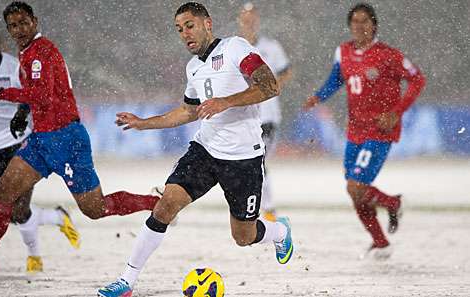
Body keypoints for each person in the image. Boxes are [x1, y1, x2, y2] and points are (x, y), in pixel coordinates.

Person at [98, 3, 294, 296]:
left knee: (244, 236)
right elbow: (188, 112)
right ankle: (126, 281)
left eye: (190, 25)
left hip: (244, 158)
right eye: (179, 29)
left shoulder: (235, 47)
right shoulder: (193, 68)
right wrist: (144, 123)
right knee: (165, 205)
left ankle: (280, 232)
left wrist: (226, 102)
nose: (185, 34)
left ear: (207, 24)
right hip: (205, 150)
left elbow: (269, 86)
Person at [0, 1, 160, 279]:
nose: (19, 29)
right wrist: (22, 114)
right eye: (13, 25)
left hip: (66, 140)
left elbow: (42, 95)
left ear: (35, 22)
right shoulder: (28, 52)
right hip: (41, 140)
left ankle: (155, 203)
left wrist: (1, 93)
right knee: (4, 192)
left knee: (95, 209)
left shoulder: (41, 52)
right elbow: (38, 96)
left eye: (23, 23)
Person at [0, 23, 83, 275]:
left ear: (0, 43)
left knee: (17, 207)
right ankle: (56, 217)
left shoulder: (15, 65)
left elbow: (32, 94)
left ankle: (31, 259)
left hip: (21, 141)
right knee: (8, 211)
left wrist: (21, 115)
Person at [302, 3, 425, 258]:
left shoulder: (388, 55)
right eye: (355, 21)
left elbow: (417, 79)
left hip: (379, 130)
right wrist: (319, 96)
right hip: (354, 131)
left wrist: (395, 112)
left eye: (364, 21)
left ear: (374, 25)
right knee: (355, 191)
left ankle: (393, 203)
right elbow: (337, 78)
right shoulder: (343, 51)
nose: (359, 26)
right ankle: (380, 243)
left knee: (356, 187)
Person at [238, 2, 293, 221]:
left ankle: (267, 210)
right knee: (246, 163)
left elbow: (286, 72)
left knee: (258, 161)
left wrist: (269, 86)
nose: (249, 20)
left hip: (267, 116)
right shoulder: (234, 48)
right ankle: (255, 207)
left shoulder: (271, 47)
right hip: (243, 116)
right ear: (239, 20)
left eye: (252, 16)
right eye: (245, 16)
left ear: (257, 19)